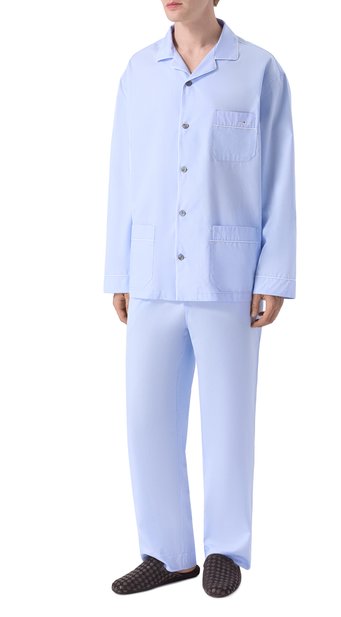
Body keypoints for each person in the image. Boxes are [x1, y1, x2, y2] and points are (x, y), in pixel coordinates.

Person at [103, 0, 296, 598]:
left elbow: (279, 176)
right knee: (147, 419)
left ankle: (224, 549)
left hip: (228, 275)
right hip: (153, 273)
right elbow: (123, 175)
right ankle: (168, 553)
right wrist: (120, 269)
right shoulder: (139, 71)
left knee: (228, 418)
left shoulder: (258, 70)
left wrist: (275, 273)